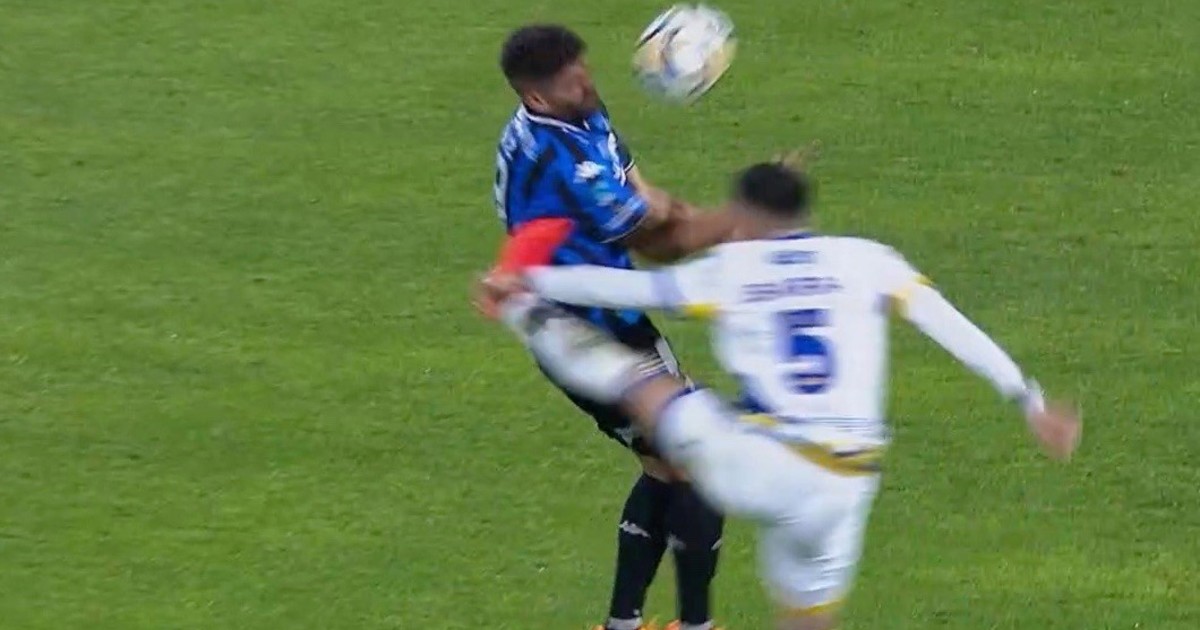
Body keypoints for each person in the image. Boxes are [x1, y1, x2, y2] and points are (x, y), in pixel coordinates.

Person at [478, 160, 1082, 630]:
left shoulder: (731, 270)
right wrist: (1029, 400)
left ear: (743, 216)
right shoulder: (868, 260)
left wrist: (530, 277)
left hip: (765, 462)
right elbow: (949, 325)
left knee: (638, 382)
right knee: (806, 620)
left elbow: (624, 290)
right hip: (848, 481)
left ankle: (521, 311)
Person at [491, 24, 736, 630]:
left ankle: (623, 624)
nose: (587, 83)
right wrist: (731, 221)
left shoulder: (578, 116)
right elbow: (651, 233)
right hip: (582, 334)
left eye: (585, 70)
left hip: (613, 315)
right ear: (536, 96)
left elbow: (642, 193)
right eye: (571, 81)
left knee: (667, 462)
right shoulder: (561, 160)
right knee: (696, 459)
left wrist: (672, 211)